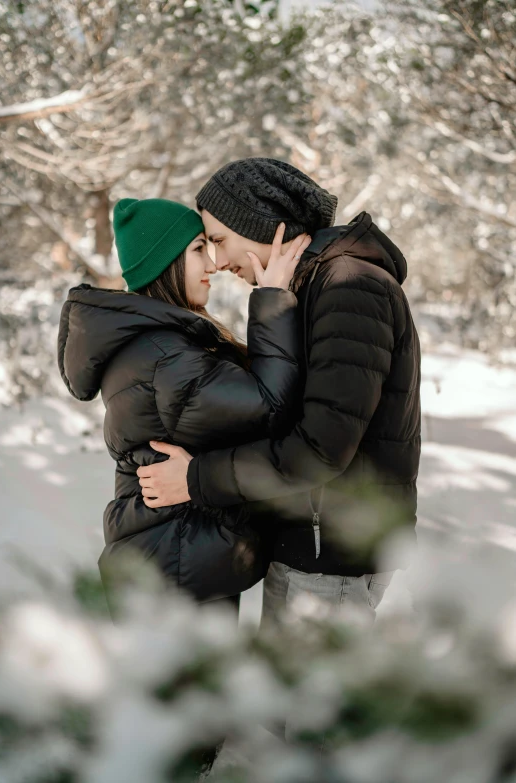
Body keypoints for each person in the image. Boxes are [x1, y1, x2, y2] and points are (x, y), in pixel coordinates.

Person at [136, 158, 422, 627]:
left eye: (220, 240)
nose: (217, 262)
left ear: (264, 225)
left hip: (330, 557)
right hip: (313, 547)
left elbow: (321, 448)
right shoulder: (315, 286)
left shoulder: (349, 286)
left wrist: (196, 479)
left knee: (310, 702)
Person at [57, 196, 312, 616]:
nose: (212, 264)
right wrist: (272, 299)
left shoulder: (161, 345)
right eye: (198, 249)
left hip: (172, 555)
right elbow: (268, 407)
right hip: (173, 567)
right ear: (166, 262)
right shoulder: (164, 354)